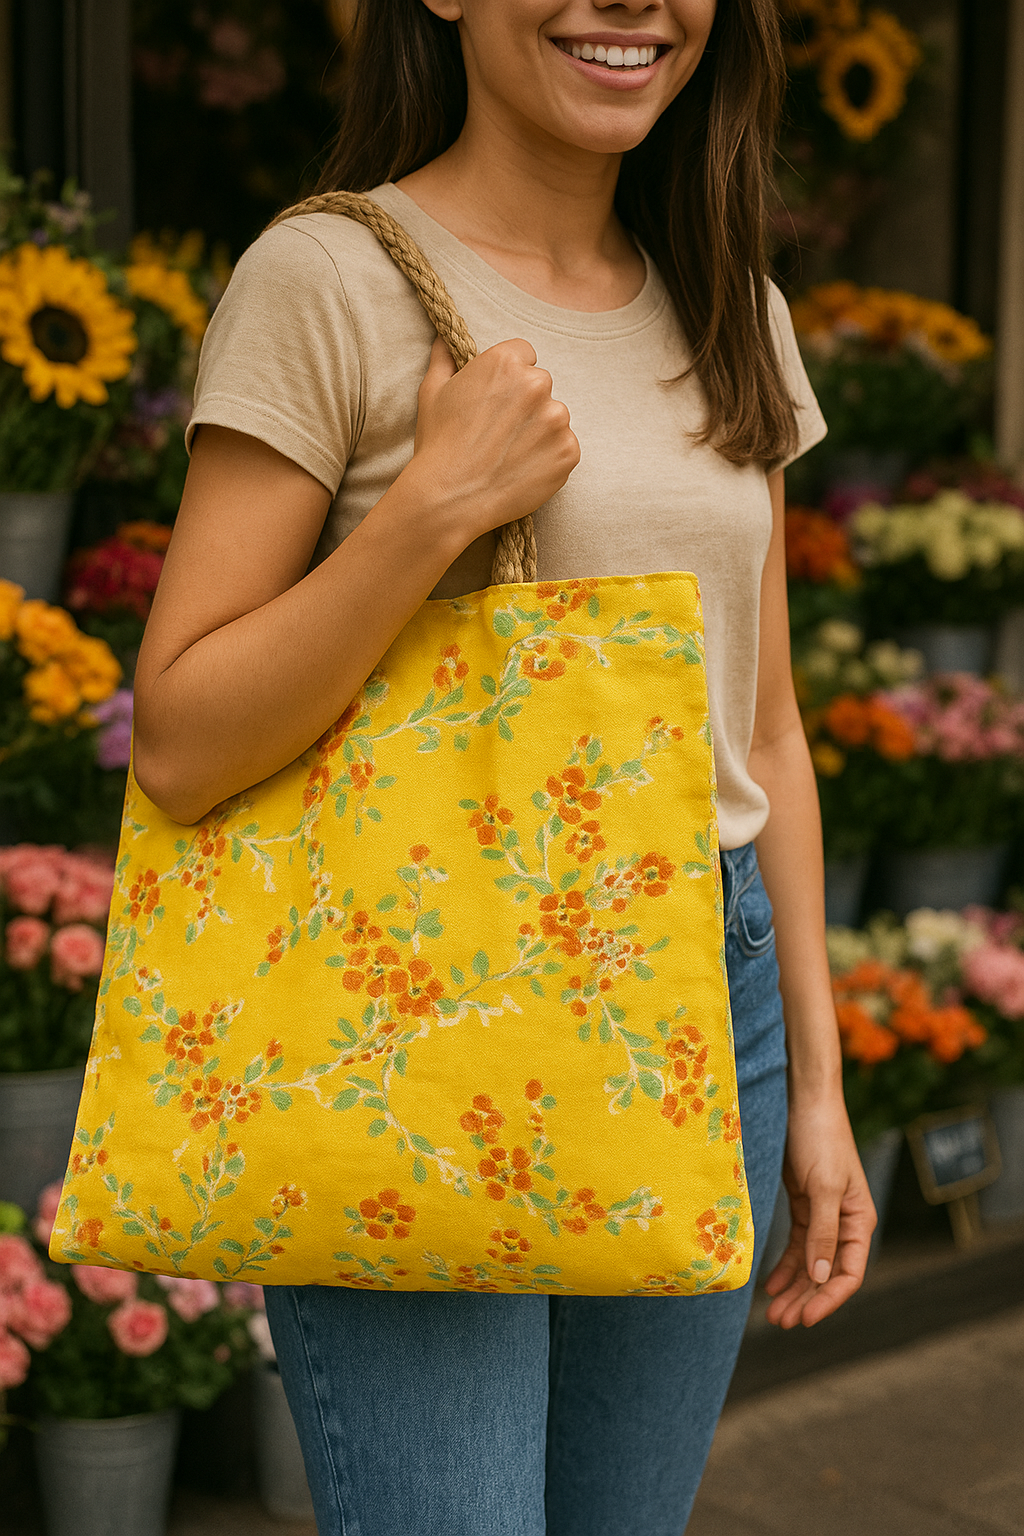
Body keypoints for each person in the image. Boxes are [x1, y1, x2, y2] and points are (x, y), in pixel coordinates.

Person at [133, 2, 876, 1532]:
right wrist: (430, 513)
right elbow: (183, 739)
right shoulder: (326, 279)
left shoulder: (732, 303)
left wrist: (817, 1085)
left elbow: (768, 731)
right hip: (423, 1017)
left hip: (701, 993)